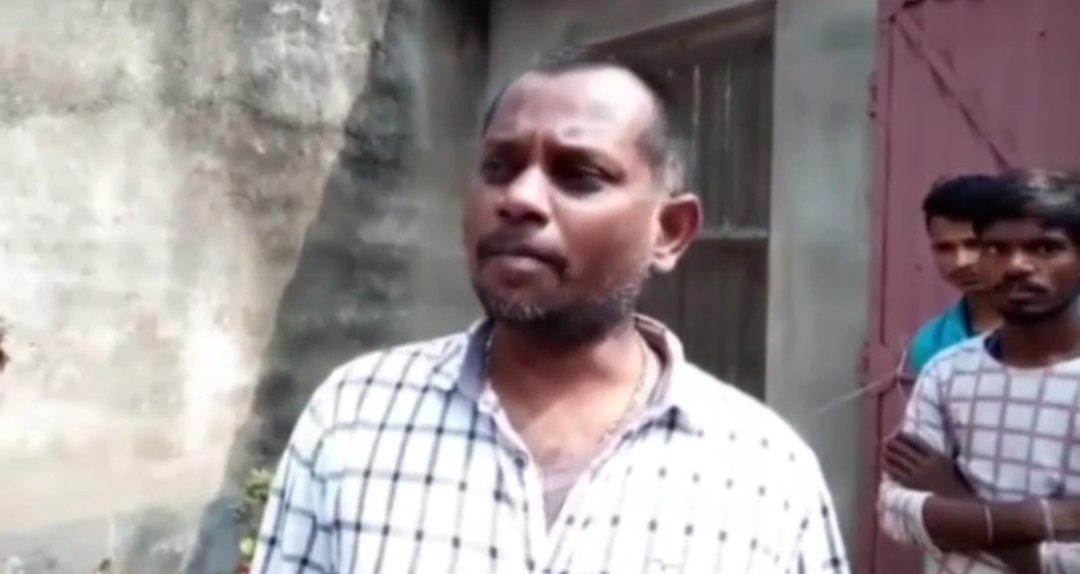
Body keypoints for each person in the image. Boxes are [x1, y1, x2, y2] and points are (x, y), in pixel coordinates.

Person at [252, 47, 849, 573]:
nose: (518, 198)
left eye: (580, 175)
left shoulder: (765, 475)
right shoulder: (355, 415)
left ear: (668, 231)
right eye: (499, 167)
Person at [878, 169, 1080, 573]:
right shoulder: (945, 371)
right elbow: (895, 511)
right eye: (995, 249)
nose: (1016, 265)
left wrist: (953, 497)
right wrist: (1044, 518)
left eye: (1044, 248)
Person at [908, 175, 1010, 375]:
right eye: (945, 248)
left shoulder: (1065, 323)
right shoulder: (932, 344)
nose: (961, 261)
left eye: (974, 244)